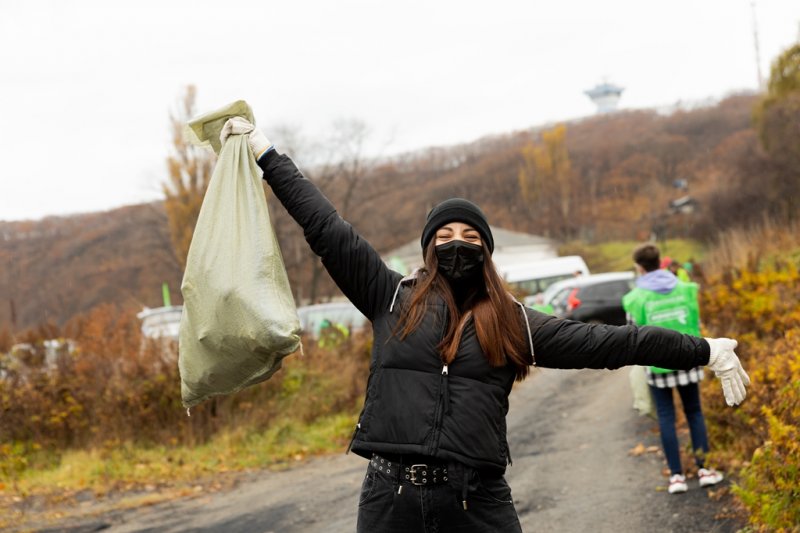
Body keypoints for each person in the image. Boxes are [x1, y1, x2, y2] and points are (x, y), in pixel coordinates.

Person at [219, 117, 750, 532]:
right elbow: (324, 225)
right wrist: (267, 154)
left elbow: (613, 343)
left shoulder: (515, 322)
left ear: (487, 252)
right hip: (389, 502)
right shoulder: (388, 296)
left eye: (471, 237)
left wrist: (703, 350)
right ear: (429, 247)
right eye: (445, 234)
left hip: (478, 502)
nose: (458, 243)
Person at [623, 243, 731, 495]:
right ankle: (705, 470)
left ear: (639, 268)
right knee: (694, 412)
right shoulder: (685, 289)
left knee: (666, 416)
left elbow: (631, 335)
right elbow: (697, 320)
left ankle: (676, 477)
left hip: (657, 366)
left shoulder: (635, 298)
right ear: (660, 261)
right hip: (689, 358)